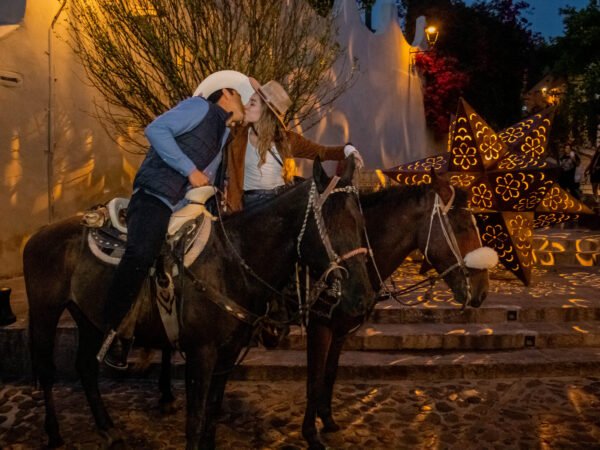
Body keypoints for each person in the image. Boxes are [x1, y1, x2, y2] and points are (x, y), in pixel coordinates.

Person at [98, 71, 254, 369]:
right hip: (155, 196)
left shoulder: (223, 133)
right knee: (141, 252)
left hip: (186, 207)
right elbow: (156, 130)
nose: (247, 104)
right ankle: (113, 331)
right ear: (227, 93)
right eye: (243, 96)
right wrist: (188, 169)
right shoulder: (199, 108)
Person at [223, 77, 364, 212]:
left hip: (280, 201)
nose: (245, 106)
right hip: (250, 205)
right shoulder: (237, 136)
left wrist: (348, 150)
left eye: (252, 103)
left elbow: (322, 152)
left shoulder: (287, 140)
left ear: (266, 111)